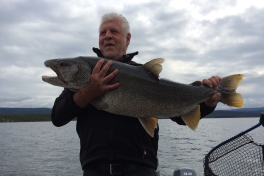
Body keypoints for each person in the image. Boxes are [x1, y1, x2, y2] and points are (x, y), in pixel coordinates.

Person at [51, 12, 222, 176]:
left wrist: (208, 103)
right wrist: (88, 93)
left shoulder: (146, 74)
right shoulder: (78, 84)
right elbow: (57, 117)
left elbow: (179, 115)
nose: (107, 36)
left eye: (114, 31)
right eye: (102, 33)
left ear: (127, 39)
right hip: (95, 170)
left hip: (141, 169)